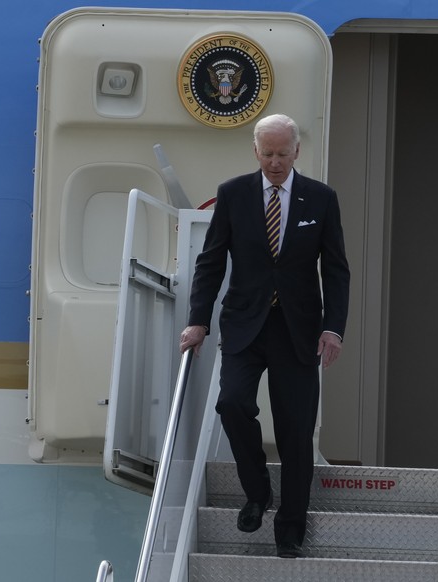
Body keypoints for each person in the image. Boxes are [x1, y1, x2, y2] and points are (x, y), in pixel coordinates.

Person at [179, 113, 350, 559]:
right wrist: (199, 320)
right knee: (232, 403)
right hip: (244, 324)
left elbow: (335, 269)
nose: (275, 163)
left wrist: (334, 328)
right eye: (267, 154)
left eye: (283, 154)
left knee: (296, 432)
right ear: (256, 152)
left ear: (297, 152)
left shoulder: (321, 199)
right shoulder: (233, 194)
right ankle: (257, 492)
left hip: (298, 330)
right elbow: (211, 262)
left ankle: (290, 528)